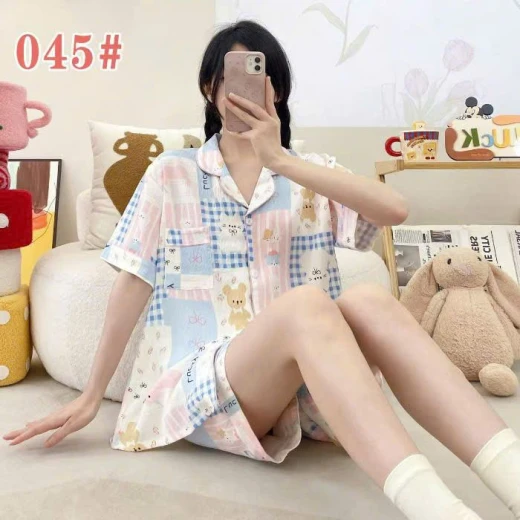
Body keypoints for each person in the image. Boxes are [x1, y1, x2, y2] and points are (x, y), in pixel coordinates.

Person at [4, 20, 520, 520]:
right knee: (307, 305)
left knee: (367, 299)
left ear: (280, 91)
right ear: (210, 88)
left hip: (309, 386)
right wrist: (91, 395)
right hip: (211, 384)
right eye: (234, 78)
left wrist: (283, 161)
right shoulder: (173, 173)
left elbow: (394, 211)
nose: (249, 91)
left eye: (262, 77)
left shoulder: (310, 171)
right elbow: (133, 279)